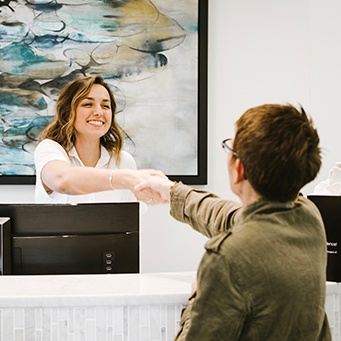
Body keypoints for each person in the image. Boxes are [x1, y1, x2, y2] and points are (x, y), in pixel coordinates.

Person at [135, 104, 331, 340]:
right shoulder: (309, 218)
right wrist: (173, 191)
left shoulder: (227, 257)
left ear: (239, 169)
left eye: (230, 148)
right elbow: (231, 216)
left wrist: (198, 297)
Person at [34, 75, 158, 204]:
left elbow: (131, 219)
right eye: (88, 104)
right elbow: (62, 181)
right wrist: (124, 179)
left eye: (105, 106)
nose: (99, 112)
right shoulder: (49, 149)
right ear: (68, 112)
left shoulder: (124, 161)